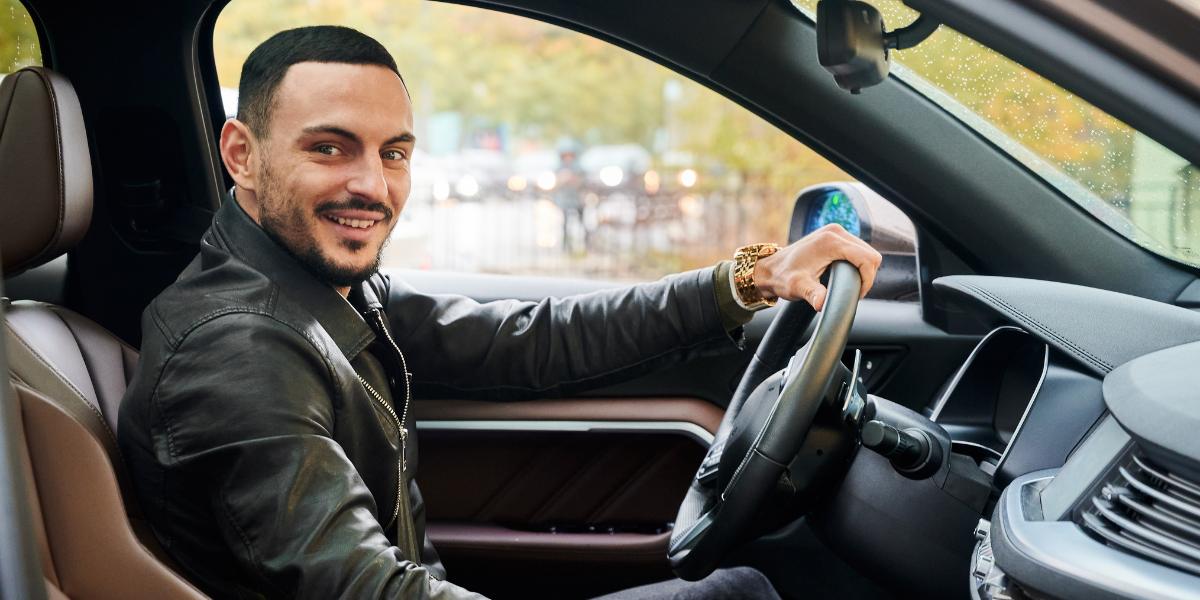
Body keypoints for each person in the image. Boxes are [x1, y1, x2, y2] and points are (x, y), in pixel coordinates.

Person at [117, 26, 882, 599]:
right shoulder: (235, 350)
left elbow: (530, 340)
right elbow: (363, 589)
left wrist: (747, 280)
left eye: (394, 153)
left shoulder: (315, 289)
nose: (373, 186)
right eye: (329, 148)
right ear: (242, 155)